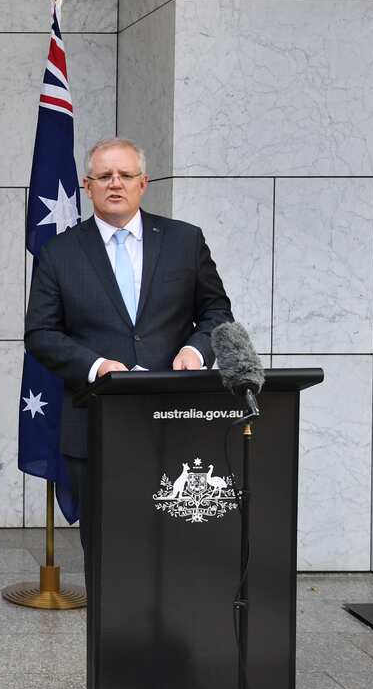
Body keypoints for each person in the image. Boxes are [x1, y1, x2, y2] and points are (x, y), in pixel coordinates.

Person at [24, 137, 234, 573]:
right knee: (106, 545)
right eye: (104, 176)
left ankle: (170, 631)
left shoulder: (184, 240)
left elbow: (216, 311)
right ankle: (112, 638)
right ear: (87, 186)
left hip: (176, 418)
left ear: (144, 182)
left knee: (176, 539)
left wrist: (197, 351)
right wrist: (96, 366)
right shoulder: (59, 253)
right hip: (95, 421)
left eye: (124, 175)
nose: (114, 184)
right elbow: (40, 333)